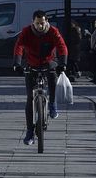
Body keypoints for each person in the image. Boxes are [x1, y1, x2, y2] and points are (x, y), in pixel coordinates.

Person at [12, 10, 68, 146]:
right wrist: (17, 64)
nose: (40, 26)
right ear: (33, 22)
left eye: (42, 23)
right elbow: (19, 46)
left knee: (53, 76)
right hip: (32, 64)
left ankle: (52, 104)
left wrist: (63, 63)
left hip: (48, 62)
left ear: (46, 21)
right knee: (30, 99)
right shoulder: (26, 32)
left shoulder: (53, 31)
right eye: (37, 23)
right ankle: (29, 132)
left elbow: (62, 46)